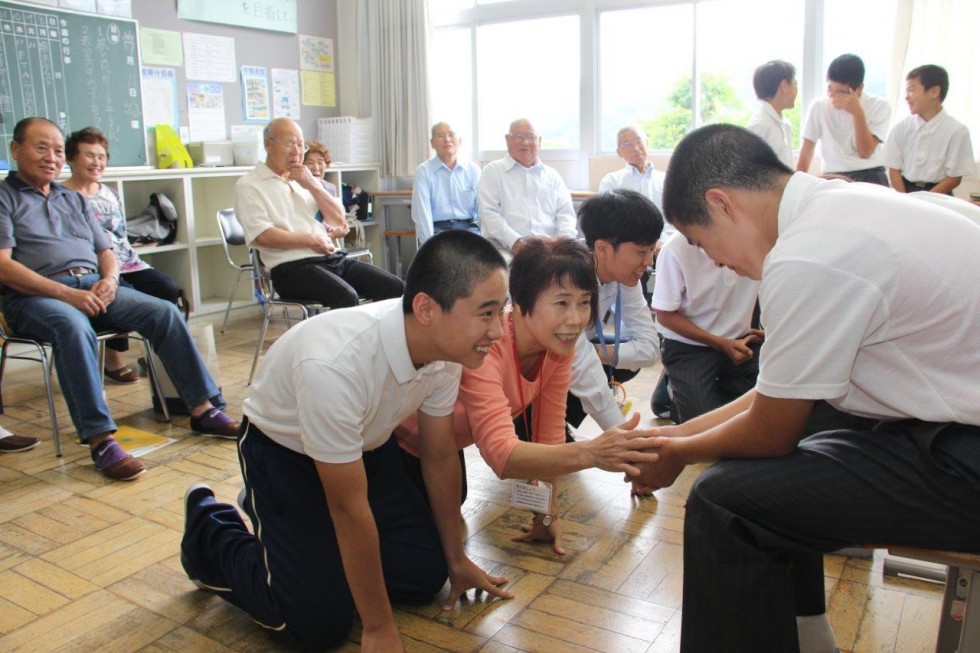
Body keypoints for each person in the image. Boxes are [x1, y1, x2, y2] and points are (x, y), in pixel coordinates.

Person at [640, 123, 980, 653]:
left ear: (722, 203)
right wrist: (676, 436)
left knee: (724, 504)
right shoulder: (848, 203)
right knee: (800, 433)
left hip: (966, 456)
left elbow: (771, 430)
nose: (716, 261)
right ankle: (808, 634)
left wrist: (677, 453)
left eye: (703, 243)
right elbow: (779, 393)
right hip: (950, 423)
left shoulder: (808, 255)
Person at [181, 231, 517, 651]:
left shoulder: (445, 352)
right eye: (486, 314)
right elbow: (348, 507)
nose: (499, 331)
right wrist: (378, 627)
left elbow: (438, 455)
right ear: (426, 309)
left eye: (500, 312)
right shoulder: (334, 365)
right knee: (316, 624)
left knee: (425, 574)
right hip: (284, 456)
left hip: (367, 450)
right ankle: (209, 531)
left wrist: (456, 557)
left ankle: (290, 534)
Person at [0, 118, 240, 482]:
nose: (51, 157)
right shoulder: (4, 199)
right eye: (40, 148)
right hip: (34, 296)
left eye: (57, 150)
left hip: (93, 284)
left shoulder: (73, 199)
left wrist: (111, 280)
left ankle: (203, 409)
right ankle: (101, 440)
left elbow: (106, 250)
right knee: (71, 326)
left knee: (162, 311)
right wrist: (67, 293)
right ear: (15, 150)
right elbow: (3, 266)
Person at [395, 238, 659, 545]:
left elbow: (548, 439)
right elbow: (502, 456)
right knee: (423, 562)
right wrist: (592, 453)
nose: (575, 320)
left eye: (584, 302)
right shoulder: (487, 344)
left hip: (443, 450)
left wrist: (546, 517)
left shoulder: (558, 349)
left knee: (445, 522)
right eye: (561, 303)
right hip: (398, 443)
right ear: (520, 302)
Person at [235, 117, 403, 309]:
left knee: (394, 287)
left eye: (300, 145)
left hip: (332, 259)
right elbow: (262, 236)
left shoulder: (304, 179)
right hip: (291, 268)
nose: (296, 152)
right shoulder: (249, 185)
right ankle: (344, 340)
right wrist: (311, 240)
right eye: (289, 144)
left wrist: (313, 185)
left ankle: (380, 338)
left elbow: (338, 219)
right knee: (346, 296)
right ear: (268, 144)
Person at [62, 126, 181, 385]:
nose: (97, 162)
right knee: (114, 293)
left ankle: (160, 356)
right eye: (89, 155)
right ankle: (113, 358)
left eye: (101, 156)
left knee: (167, 289)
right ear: (71, 158)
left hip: (127, 262)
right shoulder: (63, 196)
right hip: (93, 266)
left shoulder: (110, 193)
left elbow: (121, 234)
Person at [568, 190, 661, 446]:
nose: (648, 262)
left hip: (575, 352)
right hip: (527, 373)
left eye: (652, 250)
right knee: (581, 365)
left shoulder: (624, 276)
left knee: (607, 360)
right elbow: (582, 369)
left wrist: (598, 353)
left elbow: (650, 349)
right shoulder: (567, 278)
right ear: (602, 248)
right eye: (641, 251)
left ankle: (563, 426)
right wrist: (627, 441)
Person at [651, 232, 762, 423]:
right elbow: (665, 316)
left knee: (758, 413)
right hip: (689, 345)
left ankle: (683, 391)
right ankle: (673, 391)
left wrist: (769, 332)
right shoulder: (675, 248)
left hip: (741, 340)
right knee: (704, 426)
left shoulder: (756, 236)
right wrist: (720, 343)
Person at [479, 119, 576, 258]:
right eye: (519, 136)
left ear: (540, 141)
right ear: (507, 139)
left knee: (575, 268)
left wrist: (560, 242)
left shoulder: (552, 175)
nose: (525, 142)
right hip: (506, 248)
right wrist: (516, 242)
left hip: (551, 249)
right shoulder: (492, 172)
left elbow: (566, 213)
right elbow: (489, 214)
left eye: (531, 137)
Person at [797, 54, 892, 185]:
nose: (832, 96)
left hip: (869, 174)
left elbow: (865, 152)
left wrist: (857, 113)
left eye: (840, 92)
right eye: (829, 89)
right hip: (832, 176)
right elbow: (807, 150)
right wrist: (797, 185)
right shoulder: (819, 106)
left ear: (859, 89)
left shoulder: (880, 106)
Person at [884, 64, 975, 195]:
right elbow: (893, 169)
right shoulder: (901, 128)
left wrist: (926, 198)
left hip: (939, 194)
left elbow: (954, 178)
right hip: (905, 192)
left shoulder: (957, 131)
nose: (906, 96)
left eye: (911, 90)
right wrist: (905, 199)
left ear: (934, 92)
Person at [412, 122, 482, 243]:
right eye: (441, 135)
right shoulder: (423, 172)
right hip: (438, 230)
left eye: (451, 134)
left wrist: (484, 240)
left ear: (459, 141)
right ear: (432, 143)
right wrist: (429, 246)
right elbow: (422, 215)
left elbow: (482, 209)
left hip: (469, 229)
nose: (447, 139)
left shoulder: (473, 170)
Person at [746, 60, 798, 168]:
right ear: (784, 86)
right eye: (795, 84)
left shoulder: (784, 124)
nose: (797, 90)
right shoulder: (760, 125)